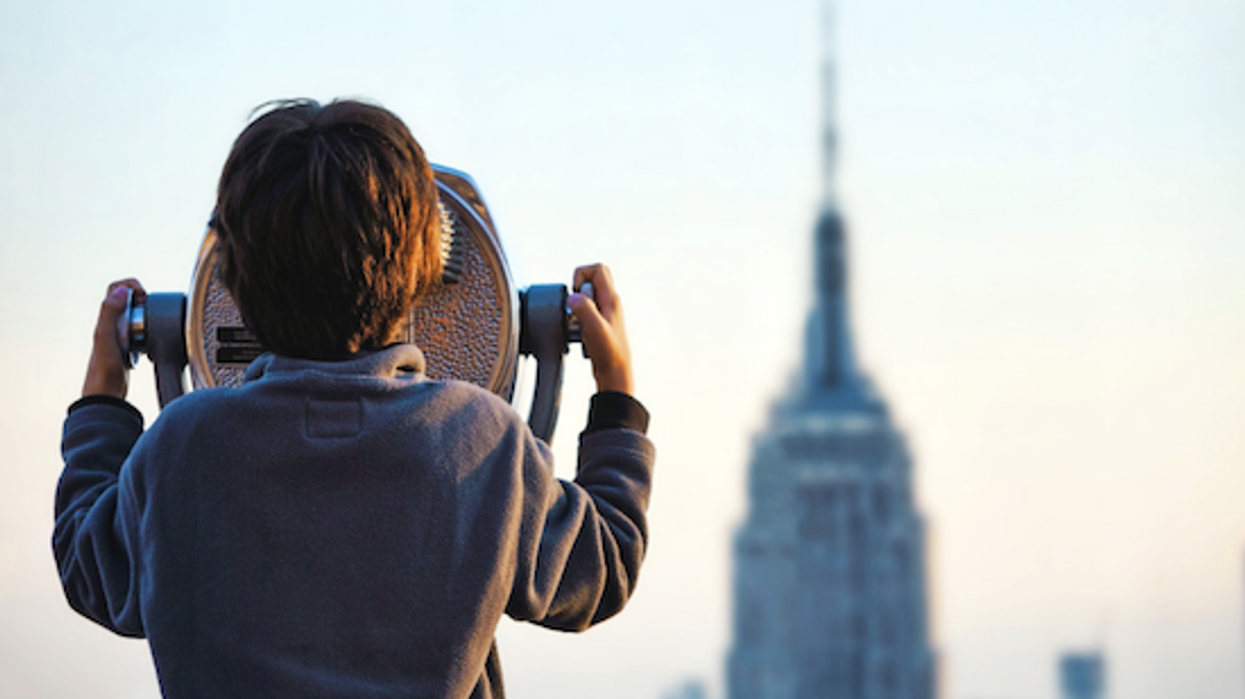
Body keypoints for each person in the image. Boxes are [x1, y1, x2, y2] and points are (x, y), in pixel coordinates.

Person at [54, 99, 654, 698]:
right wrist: (616, 394)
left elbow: (90, 573)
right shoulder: (482, 441)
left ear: (229, 278)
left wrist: (103, 399)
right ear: (426, 267)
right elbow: (605, 565)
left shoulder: (183, 447)